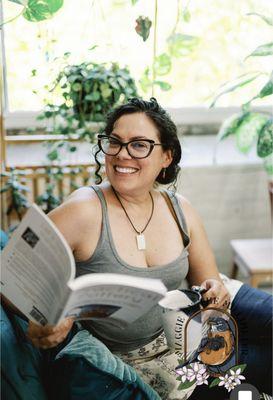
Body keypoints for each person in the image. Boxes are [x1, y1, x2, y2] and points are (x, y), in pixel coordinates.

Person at [5, 98, 272, 399]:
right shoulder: (84, 209)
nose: (122, 154)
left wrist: (215, 293)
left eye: (139, 145)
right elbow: (8, 276)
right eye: (115, 142)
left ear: (166, 157)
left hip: (187, 345)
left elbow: (211, 288)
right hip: (134, 366)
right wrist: (44, 318)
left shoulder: (180, 210)